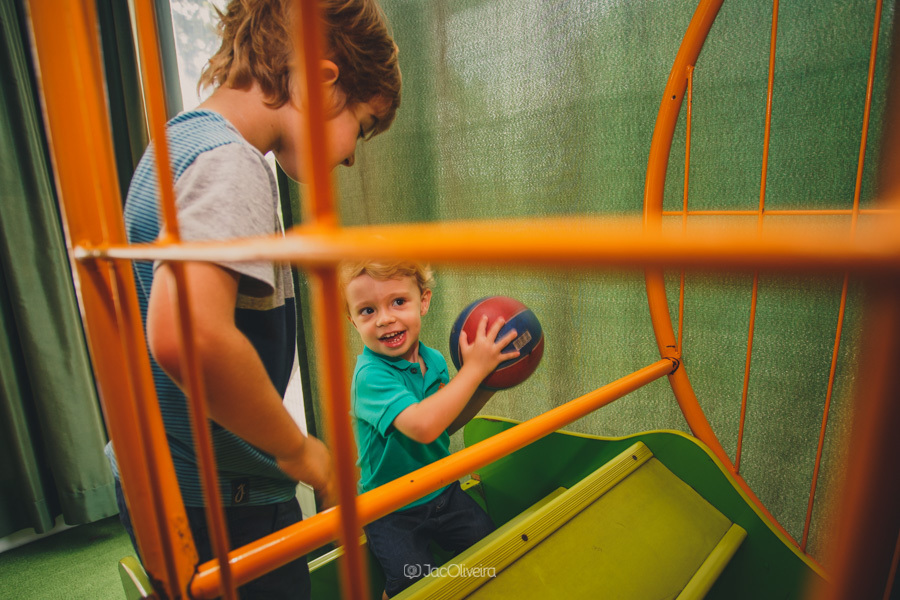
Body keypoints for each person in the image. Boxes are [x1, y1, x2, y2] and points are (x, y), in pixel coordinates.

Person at [106, 1, 401, 598]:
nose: (349, 155)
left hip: (169, 476)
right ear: (322, 86)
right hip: (225, 501)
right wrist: (300, 453)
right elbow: (188, 334)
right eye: (362, 128)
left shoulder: (176, 144)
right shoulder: (231, 163)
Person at [340, 260, 519, 598]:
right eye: (366, 310)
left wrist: (487, 382)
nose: (385, 318)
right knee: (413, 580)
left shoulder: (434, 360)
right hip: (391, 508)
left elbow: (444, 424)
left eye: (398, 302)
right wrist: (474, 370)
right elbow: (423, 426)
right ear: (352, 321)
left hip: (442, 492)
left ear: (423, 301)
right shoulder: (371, 376)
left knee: (490, 552)